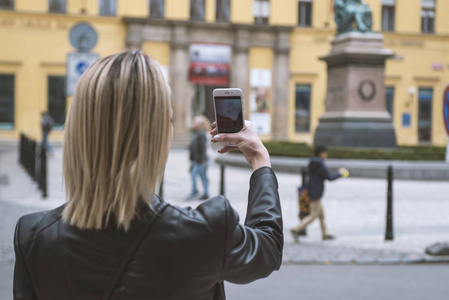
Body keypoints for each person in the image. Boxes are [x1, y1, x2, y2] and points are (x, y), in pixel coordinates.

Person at [14, 51, 283, 300]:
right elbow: (268, 247)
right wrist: (260, 158)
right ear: (157, 135)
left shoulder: (34, 238)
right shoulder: (205, 232)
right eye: (168, 119)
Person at [290, 145, 348, 242]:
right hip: (316, 193)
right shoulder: (320, 165)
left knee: (321, 215)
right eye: (325, 153)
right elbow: (330, 177)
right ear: (321, 153)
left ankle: (324, 234)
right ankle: (296, 229)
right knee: (313, 215)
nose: (326, 155)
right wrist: (340, 173)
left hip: (312, 190)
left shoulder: (312, 163)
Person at [188, 115, 211, 200]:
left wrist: (203, 161)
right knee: (201, 175)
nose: (193, 123)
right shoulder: (197, 133)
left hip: (201, 160)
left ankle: (197, 192)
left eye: (195, 122)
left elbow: (203, 148)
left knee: (198, 175)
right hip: (197, 159)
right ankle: (205, 192)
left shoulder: (202, 134)